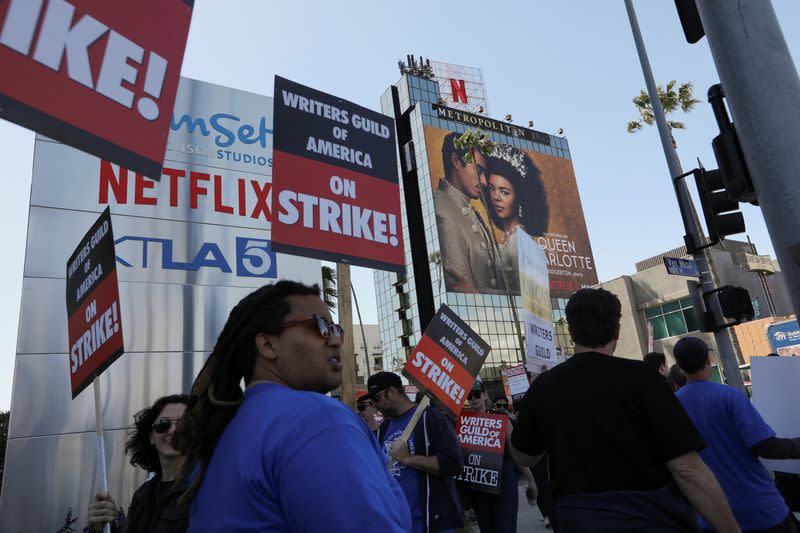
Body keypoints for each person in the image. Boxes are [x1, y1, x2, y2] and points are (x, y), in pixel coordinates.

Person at [172, 281, 410, 532]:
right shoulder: (316, 418)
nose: (335, 341)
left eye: (335, 329)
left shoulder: (222, 434)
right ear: (267, 345)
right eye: (318, 325)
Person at [509, 287, 742, 532]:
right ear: (617, 330)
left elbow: (524, 456)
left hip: (579, 520)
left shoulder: (544, 387)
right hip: (651, 518)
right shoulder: (645, 379)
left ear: (571, 331)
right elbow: (686, 468)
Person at [674, 336, 800, 532]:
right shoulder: (730, 396)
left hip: (712, 517)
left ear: (680, 366)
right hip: (761, 510)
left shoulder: (672, 406)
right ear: (708, 360)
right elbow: (766, 446)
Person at [369, 371, 463, 533]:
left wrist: (408, 458)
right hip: (400, 523)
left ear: (391, 392)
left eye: (376, 398)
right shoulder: (384, 429)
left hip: (433, 522)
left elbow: (453, 463)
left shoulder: (431, 418)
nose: (374, 406)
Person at [88, 394, 190, 533]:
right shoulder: (142, 494)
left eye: (182, 424)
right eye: (163, 424)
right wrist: (105, 526)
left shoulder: (202, 488)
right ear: (151, 437)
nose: (172, 431)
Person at [464, 382, 537, 533]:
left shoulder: (502, 419)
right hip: (479, 485)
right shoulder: (463, 423)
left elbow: (516, 454)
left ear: (484, 395)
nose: (473, 398)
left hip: (504, 481)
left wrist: (531, 480)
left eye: (477, 394)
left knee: (506, 527)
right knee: (487, 529)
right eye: (469, 396)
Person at [433, 131, 501, 293]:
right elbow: (462, 289)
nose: (484, 181)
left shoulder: (469, 209)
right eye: (478, 170)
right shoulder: (442, 211)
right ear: (456, 160)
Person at [484, 144, 549, 292]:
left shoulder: (518, 242)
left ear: (519, 198)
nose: (496, 197)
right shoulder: (511, 239)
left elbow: (528, 294)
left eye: (505, 192)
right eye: (492, 189)